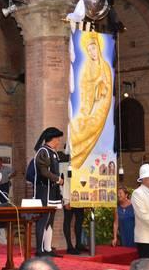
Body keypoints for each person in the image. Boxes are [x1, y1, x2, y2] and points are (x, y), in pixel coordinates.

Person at [70, 31, 112, 170]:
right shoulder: (86, 67)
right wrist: (93, 88)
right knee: (78, 125)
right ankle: (74, 155)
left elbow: (108, 87)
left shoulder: (105, 66)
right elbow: (84, 86)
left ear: (98, 47)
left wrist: (101, 87)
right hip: (88, 105)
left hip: (100, 105)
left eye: (93, 48)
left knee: (91, 126)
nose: (92, 52)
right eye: (89, 50)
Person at [33, 127, 64, 257]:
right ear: (53, 139)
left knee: (50, 220)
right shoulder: (43, 152)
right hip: (43, 191)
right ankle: (39, 250)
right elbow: (43, 172)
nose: (59, 141)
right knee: (43, 220)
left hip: (53, 191)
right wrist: (58, 179)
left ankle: (47, 249)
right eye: (58, 139)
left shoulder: (54, 152)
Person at [60, 144, 84, 255]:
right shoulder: (64, 164)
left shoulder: (79, 163)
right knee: (68, 221)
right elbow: (64, 184)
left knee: (79, 220)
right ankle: (69, 246)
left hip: (78, 197)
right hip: (68, 197)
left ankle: (79, 244)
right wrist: (66, 200)